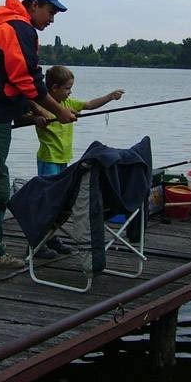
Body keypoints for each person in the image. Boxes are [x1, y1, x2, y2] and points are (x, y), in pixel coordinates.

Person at [0, 0, 77, 269]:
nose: (52, 19)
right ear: (34, 5)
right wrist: (59, 110)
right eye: (50, 11)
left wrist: (36, 109)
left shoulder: (5, 26)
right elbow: (28, 80)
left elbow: (13, 78)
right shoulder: (21, 29)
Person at [28, 65, 124, 257]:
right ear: (54, 88)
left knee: (61, 203)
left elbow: (89, 105)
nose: (70, 92)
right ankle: (36, 243)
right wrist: (36, 119)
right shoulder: (41, 106)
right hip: (48, 160)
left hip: (64, 159)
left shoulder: (68, 104)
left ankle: (51, 237)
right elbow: (28, 110)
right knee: (49, 203)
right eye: (67, 88)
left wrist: (109, 97)